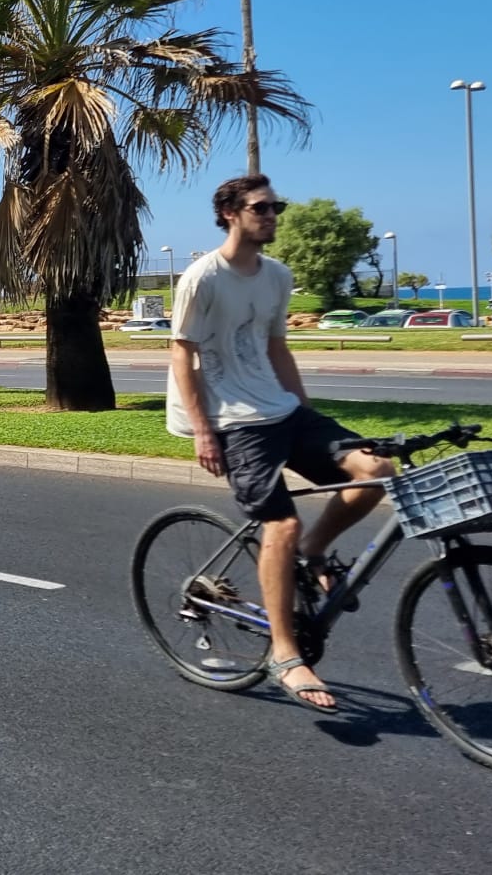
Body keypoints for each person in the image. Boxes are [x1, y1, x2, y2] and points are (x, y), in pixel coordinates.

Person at [167, 174, 394, 714]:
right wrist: (204, 429)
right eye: (260, 207)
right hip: (234, 421)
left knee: (377, 469)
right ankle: (286, 653)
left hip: (282, 409)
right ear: (229, 213)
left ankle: (313, 553)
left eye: (277, 207)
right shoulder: (203, 278)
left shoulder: (277, 275)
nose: (271, 215)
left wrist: (305, 411)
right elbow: (182, 355)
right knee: (280, 524)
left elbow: (277, 348)